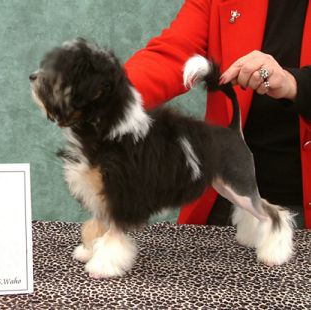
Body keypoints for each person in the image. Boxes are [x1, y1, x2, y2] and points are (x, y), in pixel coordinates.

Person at [124, 0, 311, 229]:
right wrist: (112, 95)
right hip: (222, 199)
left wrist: (294, 84)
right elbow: (172, 54)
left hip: (300, 210)